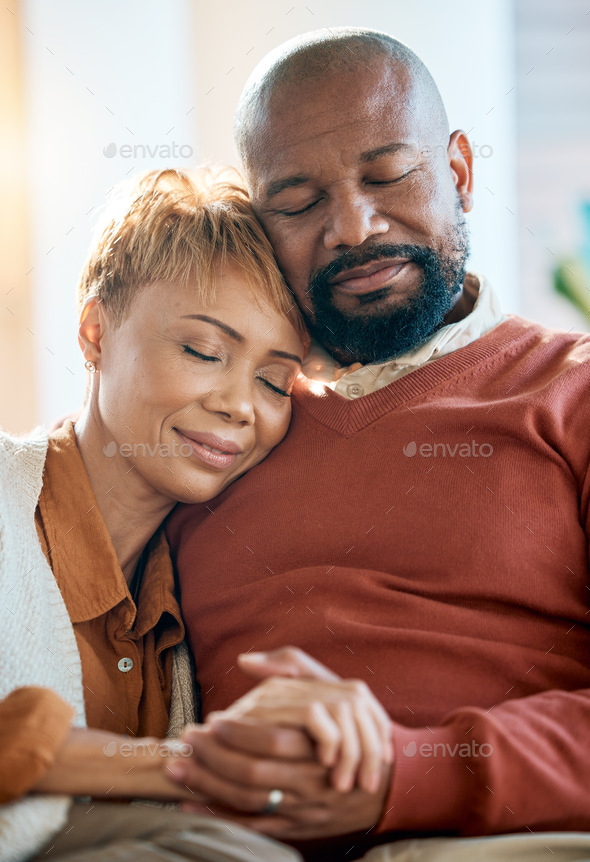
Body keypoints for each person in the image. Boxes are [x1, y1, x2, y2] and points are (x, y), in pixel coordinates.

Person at [166, 28, 590, 862]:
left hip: (511, 840)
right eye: (296, 201)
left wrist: (403, 773)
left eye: (389, 175)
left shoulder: (571, 391)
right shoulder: (211, 433)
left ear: (460, 172)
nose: (353, 228)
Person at [0, 166, 321, 862]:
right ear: (94, 333)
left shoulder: (191, 594)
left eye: (274, 380)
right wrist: (192, 763)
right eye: (203, 351)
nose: (241, 404)